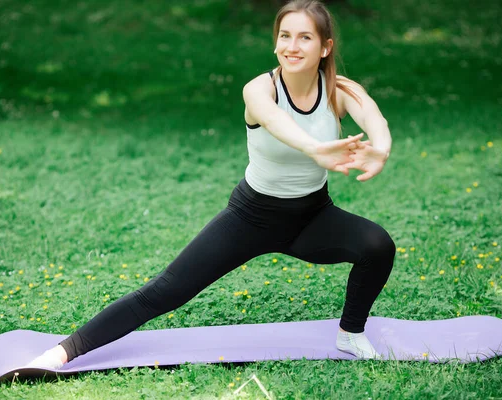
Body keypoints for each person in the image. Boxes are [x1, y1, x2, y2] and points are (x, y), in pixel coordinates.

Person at [26, 0, 394, 369]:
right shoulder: (259, 90)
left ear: (325, 47)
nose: (291, 46)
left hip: (312, 217)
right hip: (251, 217)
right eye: (284, 36)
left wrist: (381, 149)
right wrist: (315, 149)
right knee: (165, 291)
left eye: (304, 37)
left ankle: (350, 333)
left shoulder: (339, 89)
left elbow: (373, 117)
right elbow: (277, 122)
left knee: (377, 246)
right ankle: (62, 352)